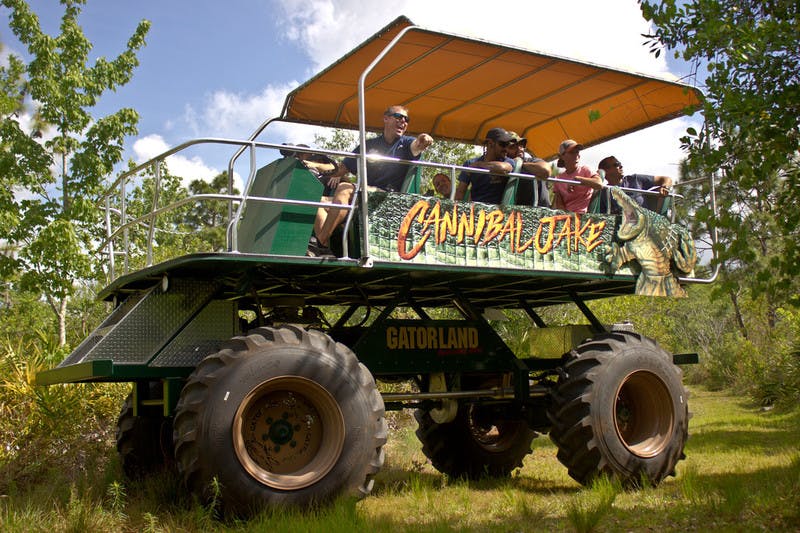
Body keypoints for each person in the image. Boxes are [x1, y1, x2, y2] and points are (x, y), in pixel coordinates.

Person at [309, 105, 434, 256]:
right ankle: (325, 249)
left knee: (344, 188)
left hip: (389, 198)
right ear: (386, 118)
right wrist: (312, 165)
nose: (403, 121)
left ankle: (320, 244)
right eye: (399, 117)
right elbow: (341, 169)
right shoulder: (369, 145)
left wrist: (424, 139)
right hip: (366, 195)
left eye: (406, 119)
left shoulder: (407, 143)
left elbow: (418, 144)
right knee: (317, 202)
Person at [454, 128, 516, 203]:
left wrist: (478, 165)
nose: (506, 149)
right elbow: (460, 192)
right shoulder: (469, 163)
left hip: (498, 211)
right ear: (490, 143)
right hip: (477, 209)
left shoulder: (508, 161)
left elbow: (503, 168)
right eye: (503, 144)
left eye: (508, 145)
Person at [596, 156, 674, 214]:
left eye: (620, 164)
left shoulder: (635, 179)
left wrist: (664, 187)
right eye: (616, 164)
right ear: (606, 171)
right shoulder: (603, 192)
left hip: (644, 225)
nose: (621, 166)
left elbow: (667, 179)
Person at [552, 139, 602, 213]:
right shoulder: (559, 178)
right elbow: (559, 204)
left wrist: (577, 179)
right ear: (562, 156)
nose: (576, 155)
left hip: (585, 217)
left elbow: (599, 184)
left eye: (577, 152)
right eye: (572, 152)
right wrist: (567, 218)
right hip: (568, 218)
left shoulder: (585, 170)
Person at [505, 131, 551, 207]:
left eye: (521, 145)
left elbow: (545, 171)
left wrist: (520, 164)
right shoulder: (505, 165)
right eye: (513, 147)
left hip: (540, 211)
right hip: (515, 210)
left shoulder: (532, 161)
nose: (519, 149)